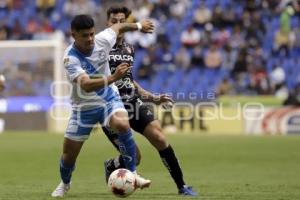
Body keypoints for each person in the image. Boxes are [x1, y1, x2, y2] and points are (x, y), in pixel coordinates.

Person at [51, 14, 154, 197]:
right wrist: (113, 78)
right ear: (73, 34)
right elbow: (86, 84)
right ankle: (65, 183)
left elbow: (119, 27)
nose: (90, 39)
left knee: (123, 124)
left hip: (108, 99)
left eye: (91, 34)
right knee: (68, 156)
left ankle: (134, 175)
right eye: (84, 35)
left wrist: (139, 25)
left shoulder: (103, 39)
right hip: (83, 108)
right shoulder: (70, 58)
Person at [102, 6, 198, 196]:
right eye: (114, 21)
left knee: (160, 137)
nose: (118, 24)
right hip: (110, 108)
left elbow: (129, 80)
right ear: (107, 23)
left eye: (122, 20)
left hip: (133, 103)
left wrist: (153, 98)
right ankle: (112, 165)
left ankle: (182, 186)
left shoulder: (129, 48)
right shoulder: (98, 47)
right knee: (135, 158)